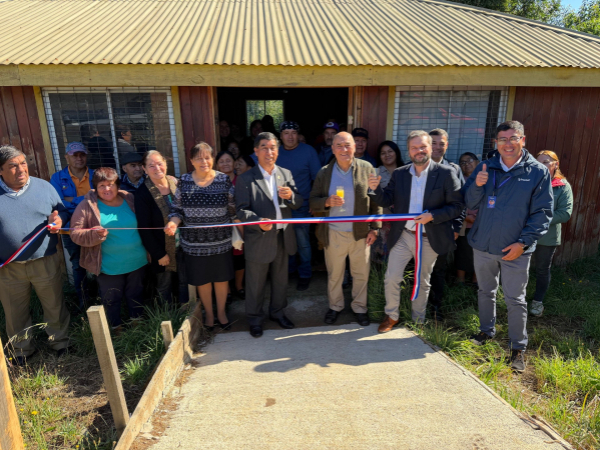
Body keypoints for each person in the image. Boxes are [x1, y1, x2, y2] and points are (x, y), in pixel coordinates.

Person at [464, 121, 553, 373]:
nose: (508, 144)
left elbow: (543, 213)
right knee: (485, 291)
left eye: (513, 138)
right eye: (502, 139)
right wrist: (477, 185)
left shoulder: (537, 172)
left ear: (523, 140)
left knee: (515, 299)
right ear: (496, 143)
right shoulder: (485, 167)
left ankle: (517, 348)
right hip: (483, 245)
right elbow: (469, 202)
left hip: (515, 249)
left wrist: (523, 243)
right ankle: (486, 330)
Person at [369, 131, 464, 331]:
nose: (419, 151)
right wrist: (375, 189)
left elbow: (457, 206)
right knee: (392, 277)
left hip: (430, 237)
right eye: (414, 147)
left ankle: (418, 320)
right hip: (403, 235)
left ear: (430, 148)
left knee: (423, 280)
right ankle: (391, 316)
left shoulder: (446, 173)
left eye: (423, 147)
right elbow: (386, 200)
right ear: (409, 150)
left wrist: (433, 216)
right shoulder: (400, 173)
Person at [0, 146, 70, 365]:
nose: (21, 169)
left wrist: (59, 220)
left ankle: (61, 343)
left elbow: (62, 211)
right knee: (14, 311)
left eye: (23, 163)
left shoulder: (44, 187)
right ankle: (22, 350)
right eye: (13, 166)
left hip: (45, 261)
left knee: (54, 305)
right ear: (1, 170)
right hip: (9, 267)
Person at [310, 132, 382, 326]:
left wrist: (375, 228)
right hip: (334, 232)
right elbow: (313, 200)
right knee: (335, 275)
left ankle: (360, 308)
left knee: (361, 274)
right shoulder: (324, 172)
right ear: (333, 149)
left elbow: (376, 200)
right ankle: (335, 307)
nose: (344, 149)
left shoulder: (367, 168)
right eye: (339, 145)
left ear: (354, 147)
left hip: (361, 233)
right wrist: (326, 202)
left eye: (347, 145)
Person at [235, 132, 303, 338]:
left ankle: (277, 312)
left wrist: (291, 196)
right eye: (264, 147)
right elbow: (241, 210)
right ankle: (255, 319)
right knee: (255, 282)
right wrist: (258, 222)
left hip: (283, 236)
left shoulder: (285, 173)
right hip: (259, 238)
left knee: (281, 280)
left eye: (273, 147)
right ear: (256, 151)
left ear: (277, 151)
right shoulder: (246, 178)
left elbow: (298, 202)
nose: (269, 152)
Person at [165, 143, 237, 331]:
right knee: (202, 281)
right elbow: (177, 210)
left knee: (221, 279)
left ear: (213, 159)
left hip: (220, 242)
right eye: (199, 158)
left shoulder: (223, 180)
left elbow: (233, 209)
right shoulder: (184, 181)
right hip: (194, 245)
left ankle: (221, 313)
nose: (204, 161)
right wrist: (173, 223)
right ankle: (209, 316)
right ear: (191, 161)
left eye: (207, 157)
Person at [70, 168, 147, 330]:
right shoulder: (87, 205)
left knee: (136, 294)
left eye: (111, 184)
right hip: (108, 265)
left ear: (117, 185)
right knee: (111, 298)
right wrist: (94, 235)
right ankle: (115, 329)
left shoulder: (130, 199)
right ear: (95, 188)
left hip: (137, 260)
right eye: (102, 185)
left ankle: (138, 327)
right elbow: (75, 234)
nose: (107, 189)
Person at [134, 151, 188, 304]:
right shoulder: (143, 193)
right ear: (144, 169)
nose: (157, 168)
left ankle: (187, 313)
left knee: (185, 282)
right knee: (164, 286)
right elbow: (144, 228)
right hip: (161, 249)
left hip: (184, 245)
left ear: (165, 163)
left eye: (159, 163)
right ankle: (167, 315)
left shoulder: (176, 184)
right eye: (151, 165)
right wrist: (158, 254)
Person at [276, 121, 322, 291]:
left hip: (302, 205)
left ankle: (305, 274)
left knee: (303, 243)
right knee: (284, 242)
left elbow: (318, 179)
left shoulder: (308, 151)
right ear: (281, 136)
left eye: (293, 133)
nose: (290, 136)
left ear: (298, 135)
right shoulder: (275, 152)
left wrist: (314, 202)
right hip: (279, 207)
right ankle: (289, 271)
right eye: (286, 133)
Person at [49, 142, 94, 309]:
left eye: (82, 155)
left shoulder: (95, 175)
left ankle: (105, 299)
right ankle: (84, 303)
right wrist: (86, 199)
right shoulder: (57, 178)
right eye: (75, 155)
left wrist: (72, 200)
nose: (79, 158)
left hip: (94, 228)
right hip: (70, 229)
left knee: (100, 262)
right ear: (66, 157)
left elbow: (100, 199)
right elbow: (58, 203)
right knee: (78, 265)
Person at [428, 129, 465, 319]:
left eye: (441, 143)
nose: (437, 147)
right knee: (417, 269)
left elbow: (460, 202)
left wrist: (456, 227)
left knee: (438, 270)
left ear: (447, 145)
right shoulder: (416, 167)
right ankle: (417, 308)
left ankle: (436, 308)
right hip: (418, 230)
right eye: (433, 143)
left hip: (443, 229)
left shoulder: (454, 169)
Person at [531, 150, 573, 317]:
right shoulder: (529, 181)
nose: (541, 165)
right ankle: (513, 298)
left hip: (547, 237)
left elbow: (565, 213)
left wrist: (539, 218)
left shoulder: (562, 186)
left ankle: (537, 302)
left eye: (546, 162)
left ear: (556, 164)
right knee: (519, 267)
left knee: (542, 270)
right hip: (525, 233)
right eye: (538, 162)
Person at [371, 140, 404, 263]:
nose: (387, 155)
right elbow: (372, 197)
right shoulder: (376, 172)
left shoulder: (406, 171)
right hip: (383, 220)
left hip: (403, 221)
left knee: (401, 254)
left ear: (396, 153)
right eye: (383, 153)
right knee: (381, 256)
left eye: (390, 151)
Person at [455, 152, 480, 285]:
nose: (466, 164)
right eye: (462, 163)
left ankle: (476, 280)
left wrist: (479, 217)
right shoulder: (458, 180)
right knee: (462, 251)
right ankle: (460, 281)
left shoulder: (483, 178)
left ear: (477, 162)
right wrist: (465, 217)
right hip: (463, 223)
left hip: (481, 223)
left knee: (479, 252)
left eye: (469, 160)